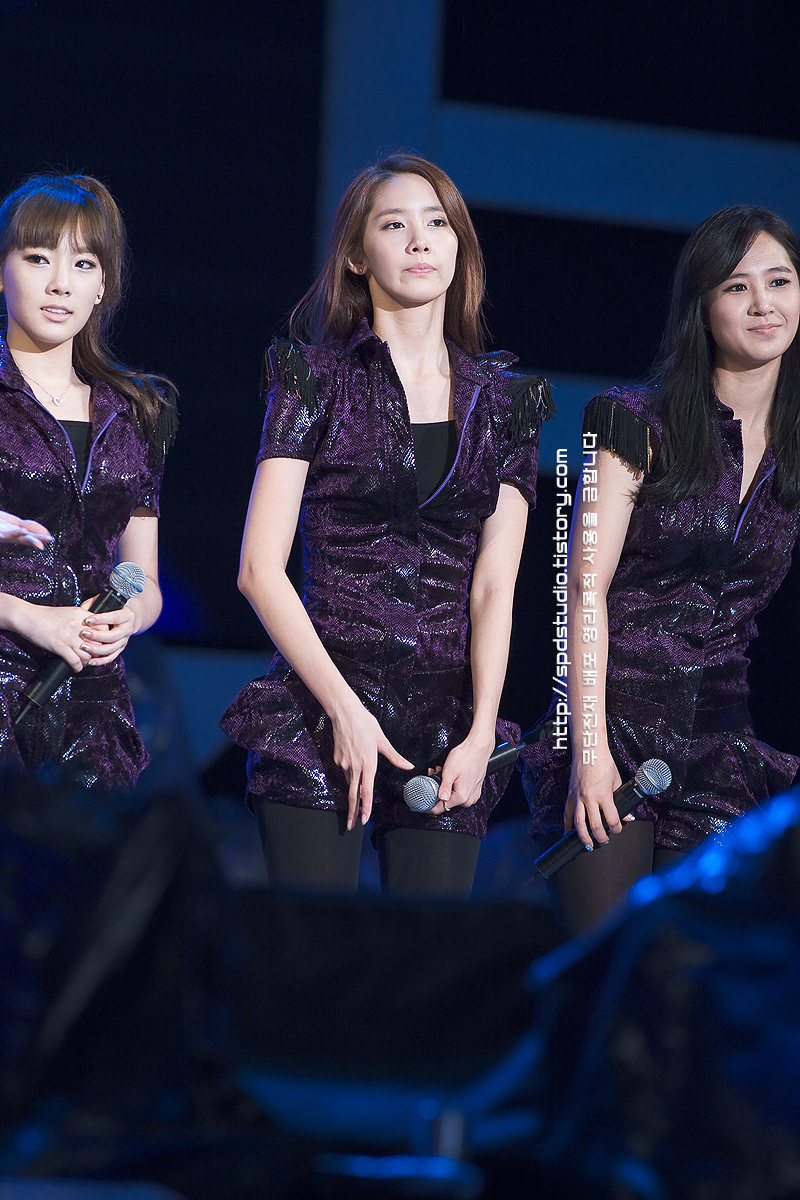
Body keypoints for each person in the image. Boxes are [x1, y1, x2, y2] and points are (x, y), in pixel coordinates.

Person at [221, 154, 551, 895]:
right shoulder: (314, 379)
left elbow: (494, 588)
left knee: (426, 960)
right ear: (356, 255)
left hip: (444, 726)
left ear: (459, 245)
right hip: (320, 705)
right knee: (314, 951)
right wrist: (345, 710)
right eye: (395, 225)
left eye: (437, 223)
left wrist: (482, 731)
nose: (420, 240)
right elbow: (259, 570)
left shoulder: (505, 403)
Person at [523, 205, 800, 937]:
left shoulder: (793, 456)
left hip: (721, 750)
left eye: (780, 281)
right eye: (738, 286)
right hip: (610, 726)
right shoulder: (633, 423)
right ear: (702, 307)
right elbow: (581, 588)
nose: (764, 304)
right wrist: (588, 751)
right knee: (605, 966)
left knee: (691, 982)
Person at [0, 173, 177, 786]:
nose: (60, 283)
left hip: (92, 713)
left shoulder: (136, 411)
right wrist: (26, 617)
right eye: (38, 258)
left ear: (102, 285)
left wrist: (132, 617)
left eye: (82, 263)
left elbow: (144, 580)